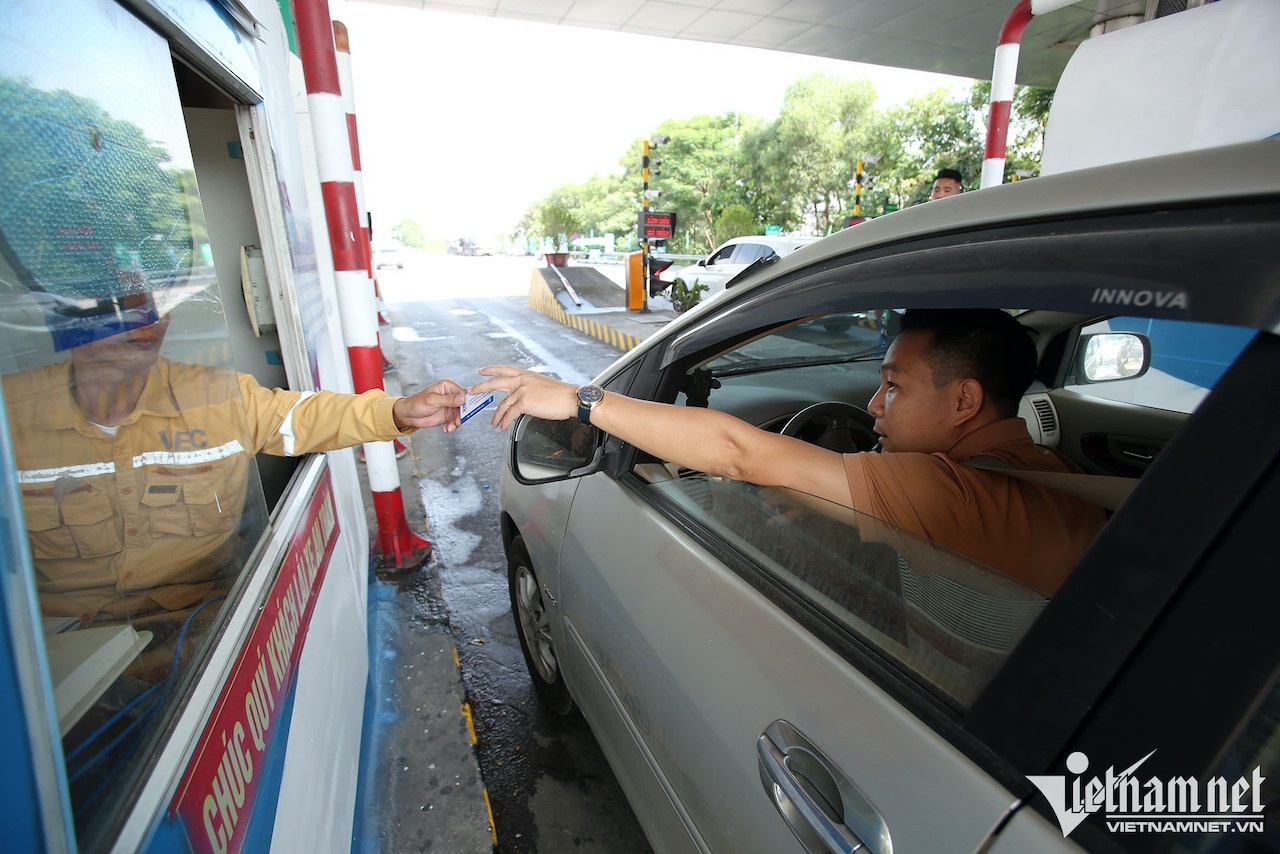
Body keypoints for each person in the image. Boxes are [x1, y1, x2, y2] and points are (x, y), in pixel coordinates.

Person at [470, 309, 1106, 597]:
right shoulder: (1057, 477)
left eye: (894, 385)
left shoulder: (951, 493)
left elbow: (740, 454)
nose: (875, 406)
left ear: (966, 401)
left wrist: (584, 402)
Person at [4, 295, 467, 623]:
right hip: (64, 654)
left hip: (199, 631)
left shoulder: (216, 397)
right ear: (69, 327)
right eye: (112, 308)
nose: (142, 322)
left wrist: (398, 410)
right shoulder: (12, 415)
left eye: (147, 306)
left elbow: (302, 416)